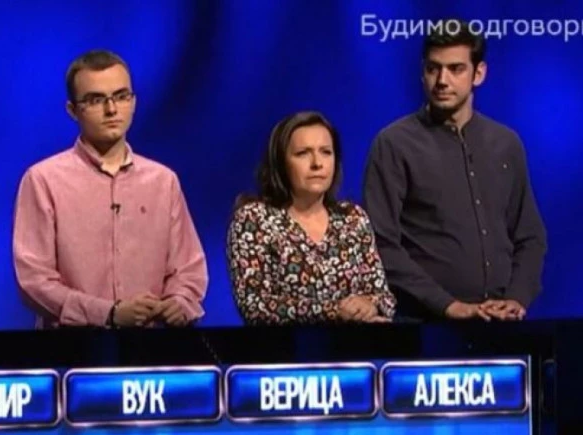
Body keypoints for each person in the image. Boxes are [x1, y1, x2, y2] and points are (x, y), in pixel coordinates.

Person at [363, 20, 547, 322]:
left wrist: (516, 298)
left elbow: (530, 236)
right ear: (422, 72)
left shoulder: (506, 143)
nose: (442, 80)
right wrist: (448, 305)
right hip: (425, 326)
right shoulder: (394, 144)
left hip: (501, 323)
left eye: (456, 69)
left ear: (479, 73)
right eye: (433, 69)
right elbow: (381, 242)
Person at [13, 49, 207, 328]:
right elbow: (34, 281)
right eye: (96, 100)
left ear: (134, 101)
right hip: (73, 347)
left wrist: (179, 302)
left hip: (153, 345)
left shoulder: (163, 181)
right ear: (73, 110)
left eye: (121, 96)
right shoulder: (43, 180)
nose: (112, 109)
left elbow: (189, 269)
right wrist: (108, 313)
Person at [226, 111, 396, 325]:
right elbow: (255, 304)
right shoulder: (253, 220)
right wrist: (334, 311)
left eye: (326, 152)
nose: (317, 163)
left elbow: (384, 297)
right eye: (303, 153)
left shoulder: (353, 218)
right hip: (286, 345)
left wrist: (370, 305)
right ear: (281, 163)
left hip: (354, 345)